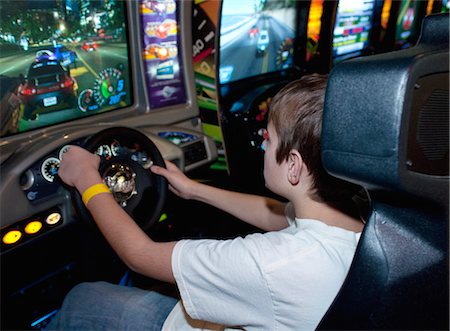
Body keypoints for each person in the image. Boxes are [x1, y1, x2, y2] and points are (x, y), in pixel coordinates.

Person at [47, 74, 365, 330]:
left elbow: (139, 255)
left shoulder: (272, 264)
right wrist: (194, 189)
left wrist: (86, 178)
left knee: (82, 298)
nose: (262, 146)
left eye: (267, 138)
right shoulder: (360, 221)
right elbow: (278, 216)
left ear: (294, 165)